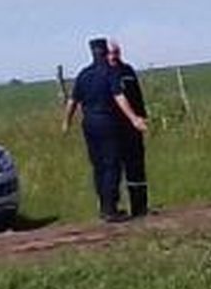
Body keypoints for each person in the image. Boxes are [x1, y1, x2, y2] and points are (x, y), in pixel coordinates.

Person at [63, 37, 148, 222]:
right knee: (111, 165)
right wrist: (134, 119)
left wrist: (66, 122)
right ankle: (111, 210)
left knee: (99, 166)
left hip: (89, 124)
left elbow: (72, 100)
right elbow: (119, 96)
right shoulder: (110, 73)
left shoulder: (84, 74)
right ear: (104, 52)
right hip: (107, 123)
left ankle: (104, 207)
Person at [105, 39, 150, 218]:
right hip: (113, 127)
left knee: (136, 167)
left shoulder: (128, 71)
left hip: (133, 126)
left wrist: (142, 116)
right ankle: (112, 209)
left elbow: (137, 95)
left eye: (117, 52)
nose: (115, 56)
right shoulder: (105, 74)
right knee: (114, 168)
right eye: (111, 52)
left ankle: (140, 207)